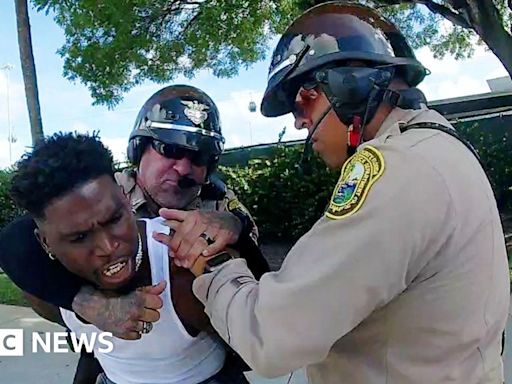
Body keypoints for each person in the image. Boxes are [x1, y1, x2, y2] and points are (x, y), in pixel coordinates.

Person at [158, 3, 510, 383]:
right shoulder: (440, 147)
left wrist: (212, 263)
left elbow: (270, 336)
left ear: (350, 85)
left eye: (302, 99)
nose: (298, 121)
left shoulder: (396, 172)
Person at [0, 85, 269, 383]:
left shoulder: (220, 206)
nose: (183, 168)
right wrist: (88, 304)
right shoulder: (97, 187)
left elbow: (258, 307)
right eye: (171, 149)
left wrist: (235, 227)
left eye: (200, 157)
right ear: (139, 150)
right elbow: (17, 239)